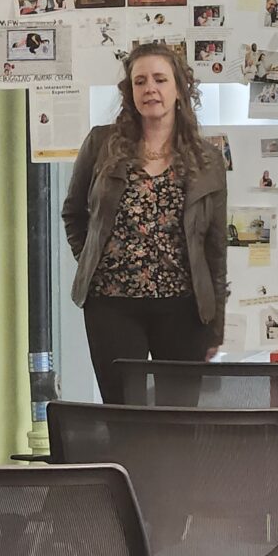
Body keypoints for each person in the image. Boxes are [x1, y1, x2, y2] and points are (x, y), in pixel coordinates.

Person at [62, 43, 228, 395]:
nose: (150, 88)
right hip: (112, 305)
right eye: (140, 81)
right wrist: (93, 261)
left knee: (178, 414)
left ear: (179, 89)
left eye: (160, 79)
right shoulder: (101, 144)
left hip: (183, 307)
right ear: (130, 92)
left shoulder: (207, 159)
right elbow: (74, 214)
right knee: (123, 412)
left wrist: (216, 326)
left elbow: (215, 247)